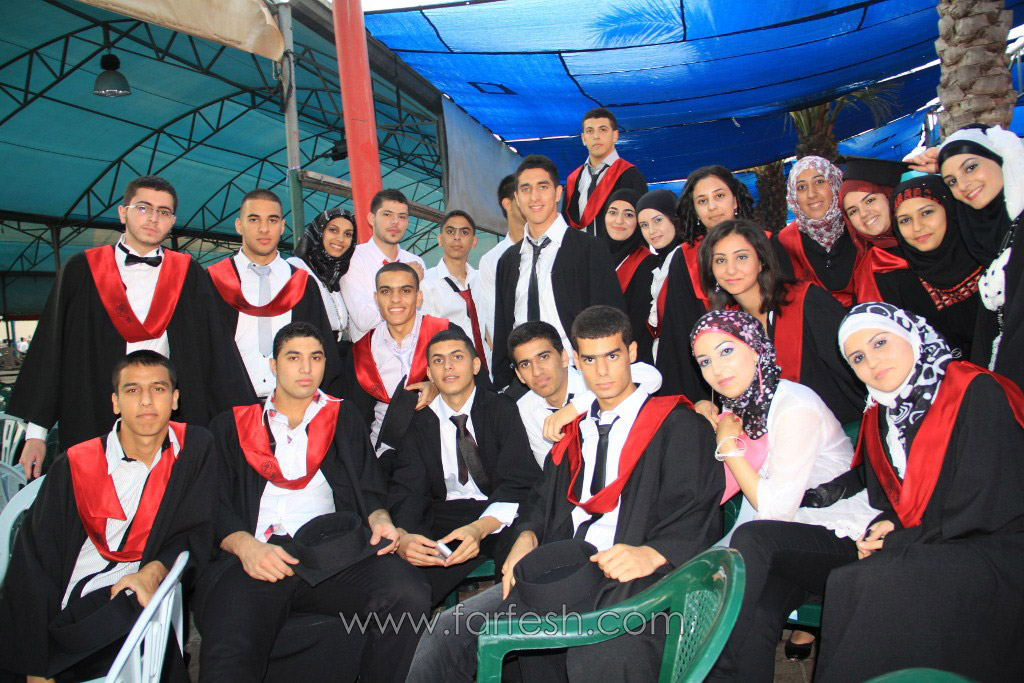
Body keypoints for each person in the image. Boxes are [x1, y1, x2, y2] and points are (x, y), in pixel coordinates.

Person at [407, 305, 724, 682]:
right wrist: (526, 536)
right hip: (564, 573)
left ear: (632, 353)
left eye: (612, 356)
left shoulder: (677, 426)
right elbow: (540, 501)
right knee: (446, 634)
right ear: (576, 360)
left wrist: (653, 552)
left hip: (633, 575)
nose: (602, 371)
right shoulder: (573, 436)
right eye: (590, 359)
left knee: (597, 656)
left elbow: (697, 507)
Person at [196, 322, 430, 683]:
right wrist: (245, 547)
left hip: (329, 555)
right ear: (273, 365)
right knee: (231, 649)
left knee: (408, 594)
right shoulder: (231, 426)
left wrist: (381, 519)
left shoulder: (342, 417)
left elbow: (369, 488)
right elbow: (213, 504)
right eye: (294, 358)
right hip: (257, 557)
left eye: (316, 357)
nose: (306, 368)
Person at [9, 175, 250, 477]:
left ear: (172, 221)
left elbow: (218, 352)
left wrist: (243, 423)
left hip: (170, 415)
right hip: (96, 409)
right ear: (123, 213)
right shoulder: (82, 270)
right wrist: (36, 434)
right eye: (143, 208)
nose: (153, 218)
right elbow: (51, 348)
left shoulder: (189, 274)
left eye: (163, 212)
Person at [0, 351, 216, 682]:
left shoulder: (194, 450)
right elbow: (34, 562)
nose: (146, 400)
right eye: (132, 390)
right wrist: (34, 664)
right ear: (115, 402)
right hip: (66, 610)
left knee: (139, 621)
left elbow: (196, 528)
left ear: (174, 399)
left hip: (126, 599)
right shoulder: (76, 464)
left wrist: (153, 571)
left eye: (158, 389)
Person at [689, 311, 877, 673]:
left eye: (726, 351)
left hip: (844, 541)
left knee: (750, 542)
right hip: (787, 548)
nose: (716, 369)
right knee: (758, 616)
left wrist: (728, 445)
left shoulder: (794, 405)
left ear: (755, 348)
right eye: (705, 361)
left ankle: (713, 667)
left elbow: (773, 513)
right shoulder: (742, 405)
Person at [389, 329, 539, 605]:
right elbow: (408, 488)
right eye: (438, 360)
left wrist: (480, 528)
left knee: (519, 561)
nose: (447, 366)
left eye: (457, 357)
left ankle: (508, 623)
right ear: (429, 373)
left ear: (475, 365)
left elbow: (518, 480)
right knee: (406, 579)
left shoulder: (501, 409)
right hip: (445, 514)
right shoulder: (418, 421)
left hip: (497, 512)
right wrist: (405, 535)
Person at [698, 220, 865, 424]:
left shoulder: (806, 302)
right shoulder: (726, 327)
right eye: (720, 260)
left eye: (741, 257)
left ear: (761, 261)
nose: (730, 270)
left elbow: (856, 371)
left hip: (842, 428)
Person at [492, 155, 625, 390]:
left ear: (558, 193)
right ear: (517, 199)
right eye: (526, 189)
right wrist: (503, 385)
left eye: (542, 187)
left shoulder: (589, 249)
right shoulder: (508, 260)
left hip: (581, 380)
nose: (534, 197)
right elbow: (503, 327)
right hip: (524, 383)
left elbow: (611, 321)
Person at [208, 189, 340, 401]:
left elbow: (322, 352)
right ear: (239, 225)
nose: (264, 229)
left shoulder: (303, 284)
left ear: (282, 226)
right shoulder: (212, 281)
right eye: (254, 219)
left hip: (293, 405)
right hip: (229, 404)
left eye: (272, 220)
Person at [340, 263, 459, 469]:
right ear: (376, 299)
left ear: (418, 298)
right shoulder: (361, 352)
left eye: (405, 291)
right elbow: (356, 420)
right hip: (385, 454)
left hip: (444, 447)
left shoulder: (447, 334)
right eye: (386, 291)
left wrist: (439, 388)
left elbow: (477, 391)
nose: (395, 299)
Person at [935, 125, 1024, 387]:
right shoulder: (986, 239)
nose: (963, 185)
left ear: (1001, 158)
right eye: (951, 181)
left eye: (971, 167)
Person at [508, 320, 662, 467]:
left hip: (633, 469)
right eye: (525, 364)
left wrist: (575, 408)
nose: (536, 371)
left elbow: (652, 377)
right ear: (519, 375)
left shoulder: (593, 379)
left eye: (544, 357)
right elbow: (549, 467)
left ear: (564, 357)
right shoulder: (525, 408)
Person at [881, 174, 985, 359]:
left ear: (949, 209)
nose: (917, 227)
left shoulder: (989, 259)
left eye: (927, 212)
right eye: (905, 220)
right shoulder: (904, 284)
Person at [641, 186, 710, 400]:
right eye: (644, 225)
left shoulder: (691, 255)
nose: (652, 231)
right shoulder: (659, 261)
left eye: (658, 220)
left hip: (691, 362)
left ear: (675, 218)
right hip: (670, 356)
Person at [340, 189, 427, 341]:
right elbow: (363, 320)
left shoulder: (416, 262)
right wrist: (408, 279)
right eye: (387, 214)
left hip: (415, 348)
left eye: (402, 217)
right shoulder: (353, 258)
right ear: (371, 219)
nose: (395, 222)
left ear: (407, 222)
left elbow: (424, 312)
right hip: (370, 351)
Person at [773, 156, 859, 306]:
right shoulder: (782, 244)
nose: (811, 194)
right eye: (801, 187)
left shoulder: (859, 230)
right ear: (794, 197)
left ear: (835, 184)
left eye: (819, 182)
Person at [562, 108, 648, 238]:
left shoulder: (631, 175)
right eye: (590, 131)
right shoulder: (573, 180)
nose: (596, 136)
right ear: (583, 138)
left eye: (602, 130)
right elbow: (567, 225)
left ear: (615, 136)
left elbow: (641, 223)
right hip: (581, 249)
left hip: (618, 250)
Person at [420, 210, 489, 368]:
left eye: (464, 232)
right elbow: (423, 336)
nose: (457, 237)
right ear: (440, 239)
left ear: (474, 242)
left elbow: (489, 324)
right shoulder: (426, 283)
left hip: (486, 366)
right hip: (450, 367)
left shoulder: (482, 279)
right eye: (450, 231)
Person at [287, 207, 358, 347]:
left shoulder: (338, 274)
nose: (340, 239)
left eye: (348, 234)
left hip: (335, 351)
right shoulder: (297, 269)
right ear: (319, 232)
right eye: (333, 230)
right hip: (307, 351)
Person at [477, 175, 525, 376]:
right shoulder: (491, 260)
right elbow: (494, 318)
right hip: (516, 361)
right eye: (524, 193)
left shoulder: (555, 247)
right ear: (508, 204)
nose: (532, 200)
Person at [601, 188, 655, 361]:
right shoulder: (594, 255)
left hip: (631, 356)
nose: (619, 221)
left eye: (629, 215)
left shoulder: (648, 263)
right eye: (612, 212)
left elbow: (638, 323)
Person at [676, 165, 757, 237]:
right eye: (702, 201)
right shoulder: (684, 250)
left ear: (735, 201)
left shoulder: (762, 242)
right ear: (695, 212)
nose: (712, 207)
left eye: (719, 195)